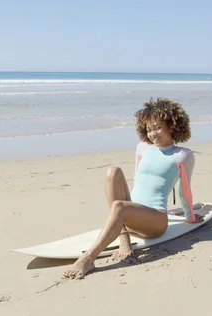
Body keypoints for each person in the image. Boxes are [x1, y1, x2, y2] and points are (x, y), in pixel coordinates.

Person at [63, 97, 204, 280]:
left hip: (155, 221)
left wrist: (190, 217)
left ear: (172, 125)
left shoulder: (182, 156)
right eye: (148, 129)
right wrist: (127, 208)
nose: (152, 134)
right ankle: (124, 237)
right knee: (113, 172)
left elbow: (185, 191)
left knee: (120, 207)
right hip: (130, 213)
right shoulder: (142, 148)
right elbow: (138, 180)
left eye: (157, 127)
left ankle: (89, 258)